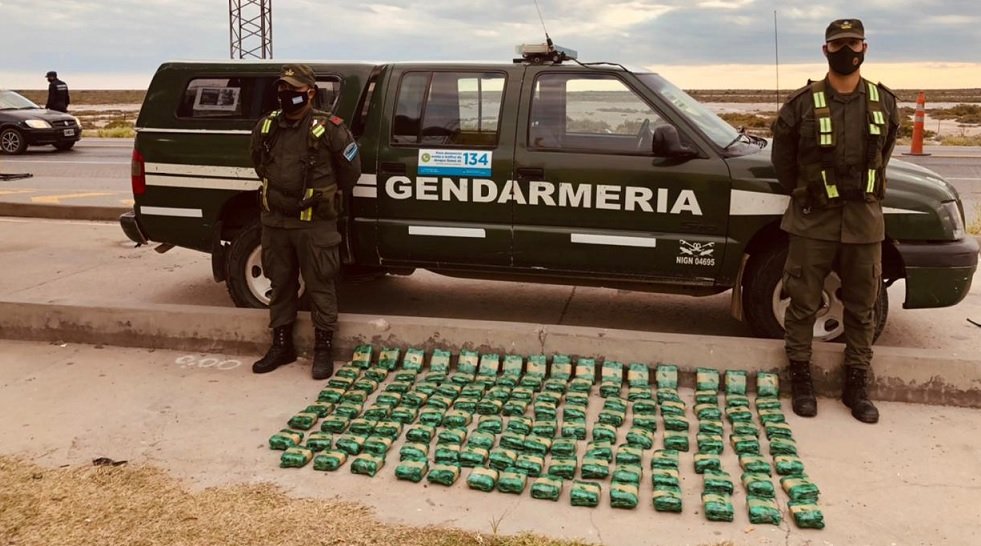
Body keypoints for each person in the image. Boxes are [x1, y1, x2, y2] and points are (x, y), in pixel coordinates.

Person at [770, 19, 900, 424]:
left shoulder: (883, 102)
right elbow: (783, 163)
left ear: (865, 48)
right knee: (802, 303)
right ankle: (801, 380)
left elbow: (884, 154)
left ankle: (856, 385)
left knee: (863, 307)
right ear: (825, 50)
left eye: (853, 43)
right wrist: (810, 193)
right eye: (838, 44)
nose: (847, 51)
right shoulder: (801, 104)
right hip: (813, 221)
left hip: (863, 222)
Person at [249, 64, 361, 379]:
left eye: (294, 89)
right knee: (280, 284)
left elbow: (350, 172)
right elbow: (258, 163)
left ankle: (323, 349)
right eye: (283, 89)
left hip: (315, 225)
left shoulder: (331, 129)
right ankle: (281, 345)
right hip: (276, 223)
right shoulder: (268, 126)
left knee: (320, 285)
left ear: (310, 92)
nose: (287, 94)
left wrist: (323, 195)